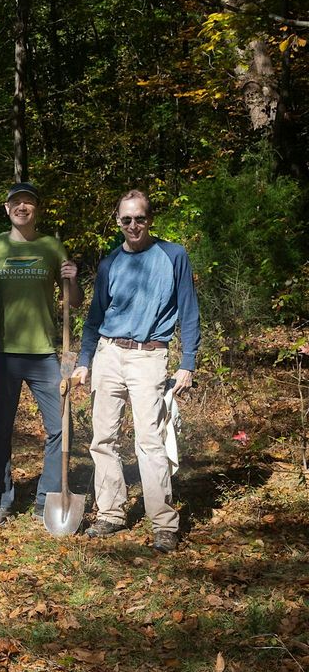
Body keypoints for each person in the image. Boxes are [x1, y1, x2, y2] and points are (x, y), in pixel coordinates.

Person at [72, 190, 200, 553]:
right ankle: (111, 512)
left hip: (150, 356)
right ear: (117, 221)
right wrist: (85, 361)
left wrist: (187, 362)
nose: (133, 225)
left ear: (150, 219)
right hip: (108, 354)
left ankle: (163, 522)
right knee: (103, 439)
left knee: (150, 440)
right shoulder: (110, 262)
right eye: (126, 219)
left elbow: (189, 312)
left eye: (139, 218)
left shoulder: (173, 255)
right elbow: (95, 317)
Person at [0, 181, 83, 523]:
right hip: (3, 353)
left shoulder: (51, 246)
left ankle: (47, 499)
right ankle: (2, 500)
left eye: (29, 203)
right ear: (7, 209)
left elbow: (74, 302)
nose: (23, 207)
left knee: (60, 426)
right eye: (16, 203)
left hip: (44, 355)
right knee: (1, 431)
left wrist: (73, 278)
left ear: (36, 210)